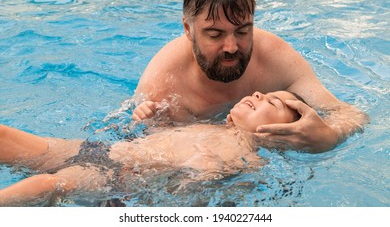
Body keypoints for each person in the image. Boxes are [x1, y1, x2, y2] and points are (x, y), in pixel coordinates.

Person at [132, 0, 368, 153]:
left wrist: (330, 135)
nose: (232, 47)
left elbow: (351, 114)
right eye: (215, 34)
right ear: (188, 29)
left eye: (243, 31)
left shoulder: (275, 58)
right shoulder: (163, 83)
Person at [0, 91, 301, 206]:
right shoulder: (212, 125)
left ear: (279, 132)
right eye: (261, 94)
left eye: (272, 102)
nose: (259, 93)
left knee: (50, 184)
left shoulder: (248, 159)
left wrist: (204, 170)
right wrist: (150, 118)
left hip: (119, 179)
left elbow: (203, 189)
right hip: (103, 150)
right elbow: (161, 140)